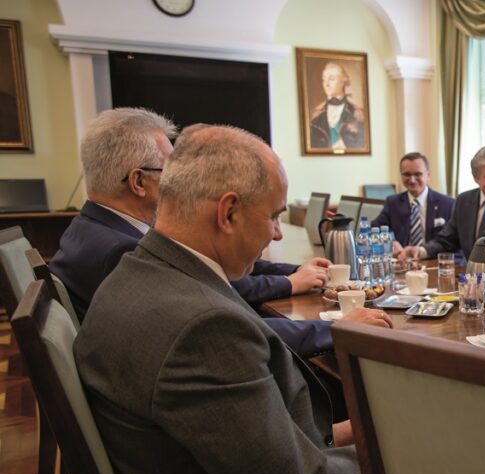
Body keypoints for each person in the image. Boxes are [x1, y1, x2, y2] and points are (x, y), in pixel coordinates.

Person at [75, 124, 388, 474]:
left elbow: (247, 440)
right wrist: (391, 453)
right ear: (228, 213)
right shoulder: (202, 328)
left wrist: (356, 430)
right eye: (274, 216)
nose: (278, 234)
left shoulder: (137, 272)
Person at [49, 108, 332, 357]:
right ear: (138, 181)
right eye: (170, 171)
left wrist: (293, 273)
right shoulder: (121, 251)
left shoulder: (90, 229)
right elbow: (222, 322)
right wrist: (334, 325)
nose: (180, 182)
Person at [400, 146, 485, 260]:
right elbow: (447, 240)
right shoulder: (464, 201)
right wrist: (421, 251)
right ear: (476, 178)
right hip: (472, 283)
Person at [370, 152, 455, 251]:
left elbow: (454, 242)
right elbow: (374, 230)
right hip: (403, 262)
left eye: (418, 174)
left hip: (433, 261)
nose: (412, 180)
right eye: (407, 174)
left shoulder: (448, 204)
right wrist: (390, 242)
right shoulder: (392, 203)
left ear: (428, 175)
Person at [309, 61, 365, 150]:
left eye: (331, 79)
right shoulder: (316, 113)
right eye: (324, 79)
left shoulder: (357, 112)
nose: (326, 84)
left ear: (343, 82)